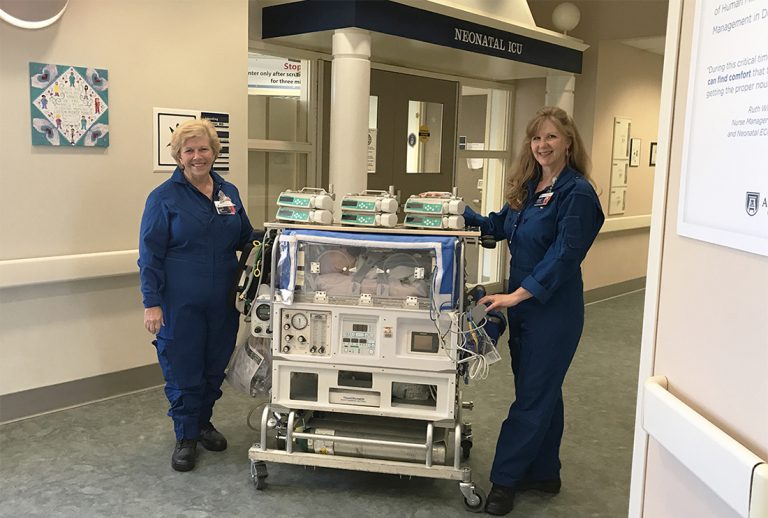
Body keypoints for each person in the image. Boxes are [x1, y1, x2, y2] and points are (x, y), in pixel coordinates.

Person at [463, 107, 604, 515]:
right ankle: (544, 472)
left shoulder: (577, 193)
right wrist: (455, 212)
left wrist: (515, 296)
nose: (542, 145)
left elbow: (564, 257)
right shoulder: (529, 188)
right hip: (524, 309)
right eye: (537, 138)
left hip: (553, 311)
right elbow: (498, 226)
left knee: (531, 397)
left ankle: (504, 481)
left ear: (568, 142)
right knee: (540, 391)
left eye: (551, 137)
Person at [138, 119, 254, 472]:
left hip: (222, 301)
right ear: (178, 156)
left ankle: (203, 423)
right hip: (180, 302)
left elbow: (245, 238)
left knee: (213, 366)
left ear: (214, 152)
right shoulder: (163, 198)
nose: (197, 156)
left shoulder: (228, 192)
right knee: (183, 368)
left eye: (204, 148)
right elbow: (150, 255)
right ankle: (185, 436)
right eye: (189, 150)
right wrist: (151, 303)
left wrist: (280, 237)